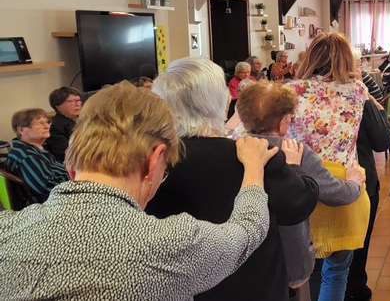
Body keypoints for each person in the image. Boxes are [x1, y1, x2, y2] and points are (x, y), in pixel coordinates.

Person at [0, 82, 279, 300]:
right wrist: (253, 167)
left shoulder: (5, 231)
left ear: (72, 165)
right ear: (154, 159)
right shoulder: (173, 243)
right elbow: (248, 230)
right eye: (164, 171)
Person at [147, 57, 319, 301]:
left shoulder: (151, 163)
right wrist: (294, 167)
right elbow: (299, 203)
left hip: (179, 288)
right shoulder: (253, 155)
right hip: (253, 284)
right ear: (221, 101)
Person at [236, 82, 364, 301]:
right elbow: (337, 194)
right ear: (284, 121)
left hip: (242, 257)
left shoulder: (233, 149)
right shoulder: (296, 153)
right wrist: (354, 182)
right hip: (288, 259)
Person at [287, 32, 371, 300]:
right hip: (345, 188)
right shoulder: (357, 92)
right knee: (337, 272)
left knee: (308, 271)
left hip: (303, 188)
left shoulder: (290, 92)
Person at [345, 93, 390, 301]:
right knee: (358, 241)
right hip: (359, 179)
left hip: (316, 181)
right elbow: (382, 142)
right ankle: (355, 287)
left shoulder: (299, 93)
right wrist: (379, 109)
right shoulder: (358, 95)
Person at [5, 108, 69, 207]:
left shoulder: (36, 148)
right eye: (39, 123)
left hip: (63, 193)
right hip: (48, 206)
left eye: (47, 122)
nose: (47, 126)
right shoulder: (27, 156)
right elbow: (49, 189)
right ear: (21, 130)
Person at [43, 86, 82, 162]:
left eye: (78, 100)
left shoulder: (81, 119)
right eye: (73, 101)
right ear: (58, 105)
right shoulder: (56, 126)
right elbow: (63, 154)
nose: (78, 104)